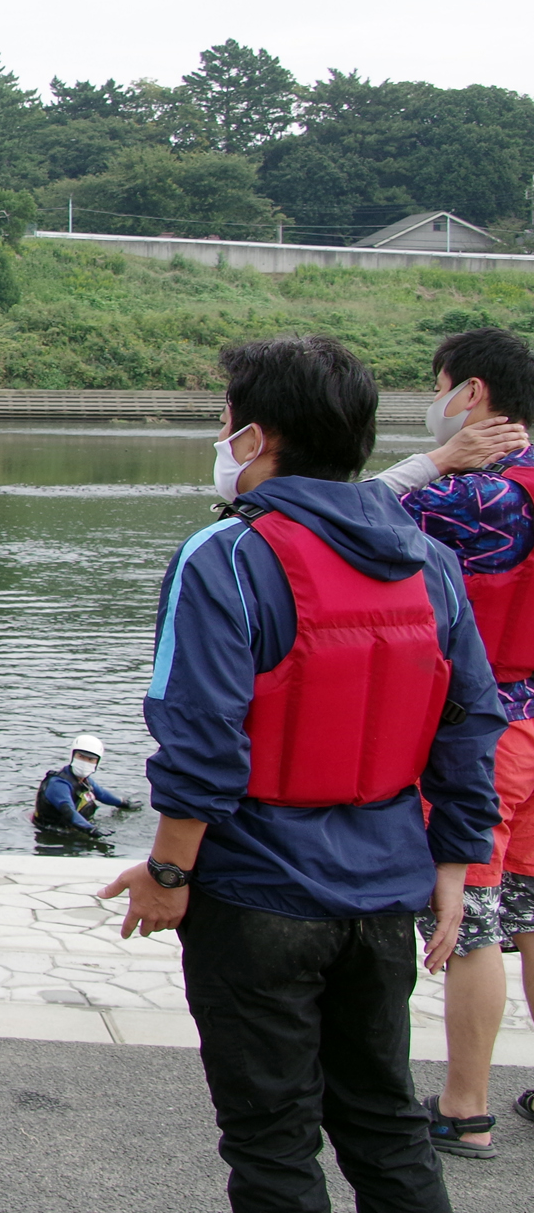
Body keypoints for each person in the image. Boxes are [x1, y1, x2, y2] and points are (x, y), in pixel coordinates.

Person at [102, 336, 503, 1213]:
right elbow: (471, 721)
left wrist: (169, 872)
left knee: (273, 1140)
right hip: (384, 888)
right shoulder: (430, 562)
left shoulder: (227, 558)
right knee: (385, 1123)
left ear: (257, 438)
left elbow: (200, 737)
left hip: (258, 893)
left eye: (226, 422)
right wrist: (453, 866)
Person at [365, 326, 534, 1155]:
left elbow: (339, 511)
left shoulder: (469, 496)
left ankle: (465, 1106)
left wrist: (437, 460)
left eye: (437, 383)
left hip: (490, 724)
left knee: (471, 917)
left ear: (469, 393)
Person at [32, 735, 140, 835]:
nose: (85, 762)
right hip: (52, 833)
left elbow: (101, 794)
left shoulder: (84, 781)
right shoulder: (58, 785)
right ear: (73, 756)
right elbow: (68, 811)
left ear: (97, 763)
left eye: (90, 759)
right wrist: (91, 829)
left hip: (73, 828)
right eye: (81, 757)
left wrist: (124, 803)